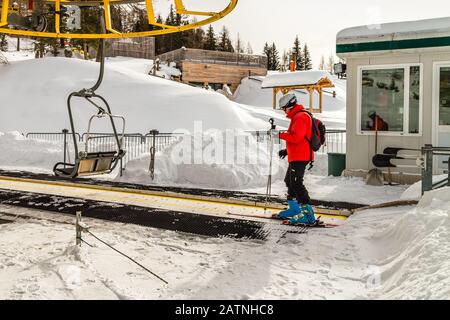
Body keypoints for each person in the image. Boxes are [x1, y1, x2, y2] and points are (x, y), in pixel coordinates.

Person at [276, 93, 315, 224]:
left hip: (301, 156)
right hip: (296, 155)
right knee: (289, 181)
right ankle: (294, 209)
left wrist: (280, 135)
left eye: (284, 108)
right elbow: (300, 138)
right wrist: (287, 150)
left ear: (290, 105)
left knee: (297, 183)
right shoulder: (297, 117)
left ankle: (308, 214)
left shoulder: (300, 117)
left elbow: (296, 137)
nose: (283, 111)